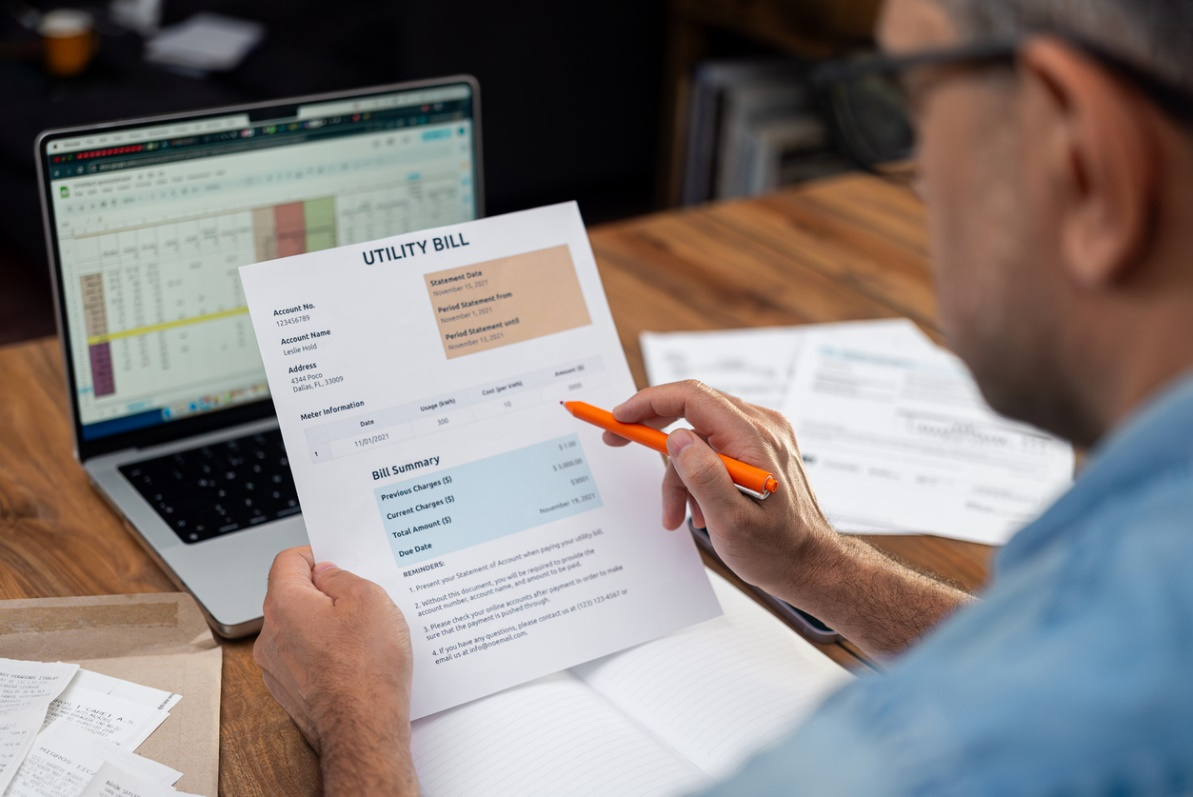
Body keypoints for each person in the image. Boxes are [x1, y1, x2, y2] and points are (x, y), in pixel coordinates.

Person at [254, 0, 1193, 792]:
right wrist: (823, 568)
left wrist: (358, 725)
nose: (916, 184)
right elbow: (1038, 655)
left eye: (909, 104)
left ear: (1085, 162)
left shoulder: (920, 757)